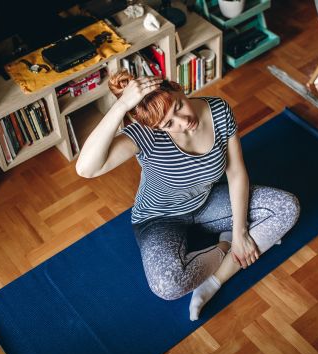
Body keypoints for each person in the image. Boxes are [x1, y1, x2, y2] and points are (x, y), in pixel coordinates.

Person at [76, 70, 300, 321]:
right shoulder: (146, 134)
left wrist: (240, 233)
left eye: (179, 106)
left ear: (178, 88)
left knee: (287, 207)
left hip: (207, 203)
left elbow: (236, 172)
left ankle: (215, 281)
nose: (183, 121)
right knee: (168, 286)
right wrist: (122, 106)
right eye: (169, 124)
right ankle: (223, 245)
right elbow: (86, 169)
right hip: (158, 218)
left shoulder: (219, 110)